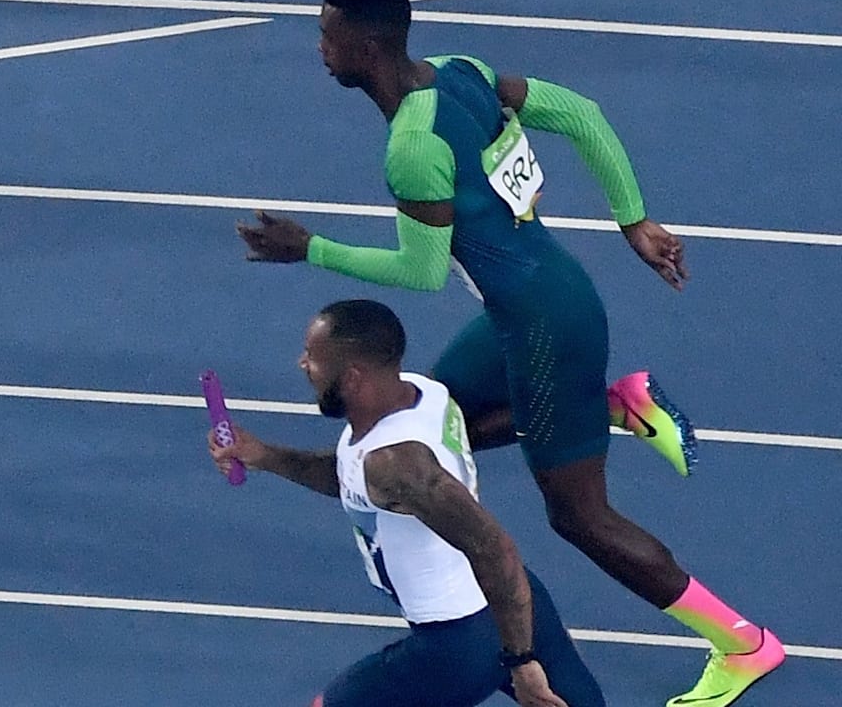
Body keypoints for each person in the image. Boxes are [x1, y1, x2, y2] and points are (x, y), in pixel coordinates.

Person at [238, 0, 784, 707]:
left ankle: (741, 644)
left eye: (328, 34)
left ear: (366, 46)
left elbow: (424, 271)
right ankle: (610, 407)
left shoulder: (411, 145)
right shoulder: (464, 73)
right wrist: (633, 220)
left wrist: (310, 250)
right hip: (541, 299)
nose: (319, 47)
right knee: (436, 417)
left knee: (580, 518)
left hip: (541, 327)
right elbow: (584, 114)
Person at [211, 299, 599, 707]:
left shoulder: (396, 464)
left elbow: (492, 546)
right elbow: (349, 476)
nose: (302, 364)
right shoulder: (421, 392)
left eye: (314, 358)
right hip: (517, 599)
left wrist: (521, 662)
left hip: (458, 642)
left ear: (354, 377)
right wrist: (266, 456)